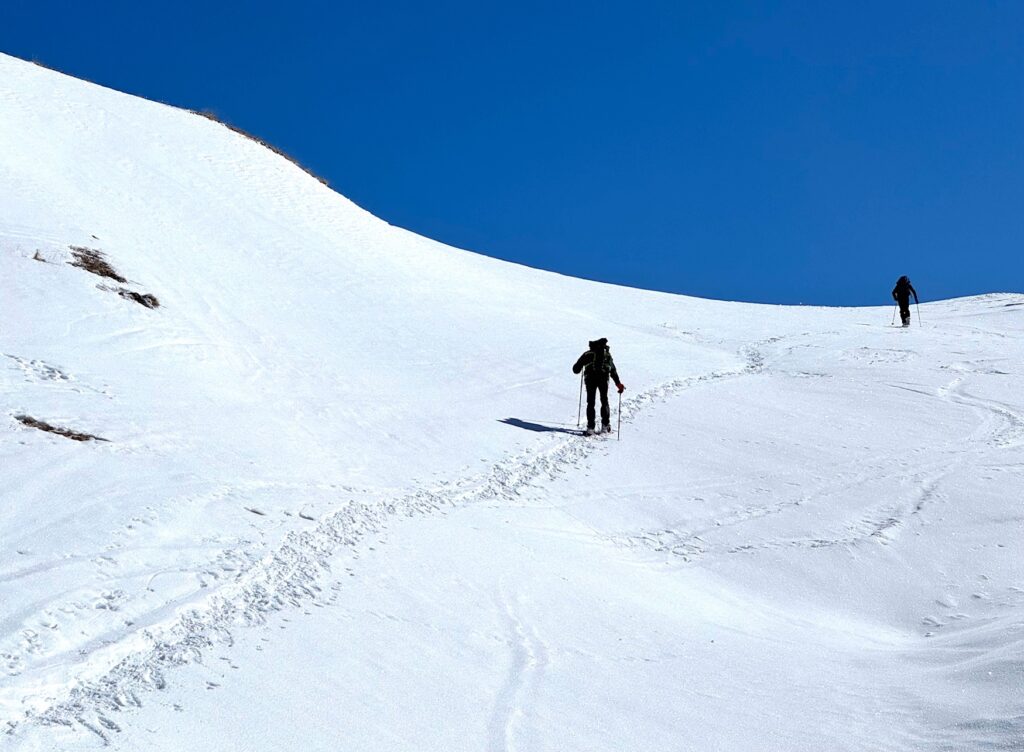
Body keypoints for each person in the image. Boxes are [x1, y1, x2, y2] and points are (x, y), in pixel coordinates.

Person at [572, 338, 625, 435]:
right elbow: (613, 371)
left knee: (590, 402)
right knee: (604, 400)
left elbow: (575, 369)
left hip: (590, 380)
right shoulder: (607, 355)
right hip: (603, 379)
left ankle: (590, 427)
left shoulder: (587, 354)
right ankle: (605, 425)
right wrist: (618, 384)